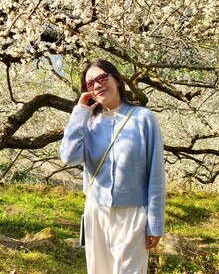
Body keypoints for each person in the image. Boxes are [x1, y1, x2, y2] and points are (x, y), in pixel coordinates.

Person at [60, 59, 165, 274]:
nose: (97, 85)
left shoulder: (143, 118)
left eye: (101, 78)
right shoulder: (88, 123)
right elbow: (68, 157)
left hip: (133, 213)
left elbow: (156, 174)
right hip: (96, 212)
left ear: (116, 80)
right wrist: (80, 111)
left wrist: (155, 223)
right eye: (90, 84)